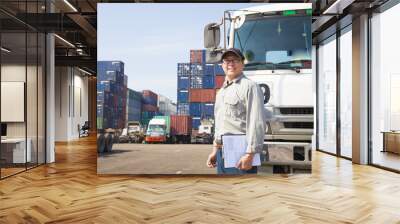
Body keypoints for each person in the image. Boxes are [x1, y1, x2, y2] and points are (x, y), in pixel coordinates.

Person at [206, 48, 266, 174]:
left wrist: (250, 155)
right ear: (222, 65)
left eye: (235, 60)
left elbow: (256, 123)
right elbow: (220, 124)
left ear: (242, 63)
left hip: (241, 156)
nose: (231, 64)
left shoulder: (250, 87)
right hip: (222, 155)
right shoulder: (221, 92)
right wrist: (215, 150)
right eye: (227, 61)